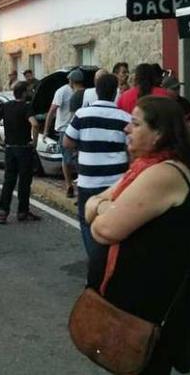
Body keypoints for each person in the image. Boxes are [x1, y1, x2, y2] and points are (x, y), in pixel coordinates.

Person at [84, 96, 190, 374]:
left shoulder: (165, 173)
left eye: (136, 123)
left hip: (149, 309)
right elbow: (92, 204)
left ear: (159, 133)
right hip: (135, 307)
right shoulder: (143, 169)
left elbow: (103, 229)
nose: (126, 129)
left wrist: (103, 207)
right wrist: (105, 206)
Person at [64, 73, 130, 260]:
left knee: (87, 221)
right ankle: (112, 260)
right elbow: (130, 148)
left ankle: (96, 261)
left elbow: (68, 142)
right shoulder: (125, 117)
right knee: (115, 222)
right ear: (115, 92)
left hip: (88, 182)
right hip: (116, 183)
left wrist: (84, 145)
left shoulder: (82, 114)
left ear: (96, 91)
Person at [0, 81, 41, 224]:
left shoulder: (5, 106)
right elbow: (35, 124)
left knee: (9, 181)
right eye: (29, 90)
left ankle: (2, 212)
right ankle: (22, 212)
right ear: (24, 93)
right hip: (24, 149)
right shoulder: (26, 107)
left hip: (10, 148)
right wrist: (35, 142)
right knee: (24, 182)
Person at [44, 69, 84, 198]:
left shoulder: (61, 92)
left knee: (66, 159)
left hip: (65, 130)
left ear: (71, 80)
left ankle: (69, 185)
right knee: (78, 158)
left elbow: (51, 112)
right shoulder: (85, 92)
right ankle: (78, 185)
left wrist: (45, 130)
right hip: (79, 129)